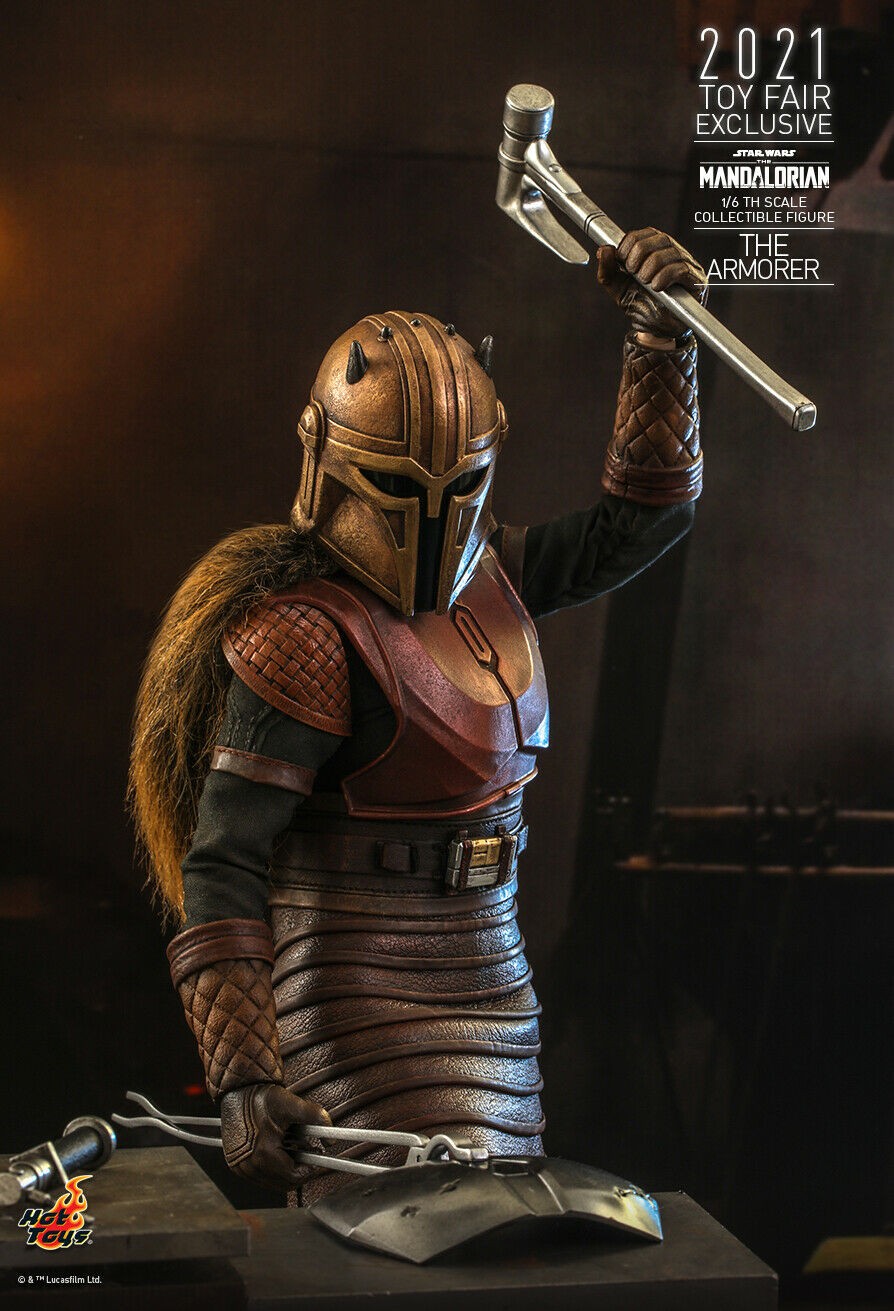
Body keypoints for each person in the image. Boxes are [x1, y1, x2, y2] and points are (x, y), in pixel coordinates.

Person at [131, 228, 707, 1200]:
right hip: (354, 986)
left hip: (493, 970)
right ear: (329, 460)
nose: (433, 519)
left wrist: (660, 344)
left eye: (460, 485)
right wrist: (245, 1078)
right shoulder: (305, 634)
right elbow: (224, 860)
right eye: (398, 487)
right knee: (404, 1226)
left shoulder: (499, 578)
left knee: (500, 1218)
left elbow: (647, 519)